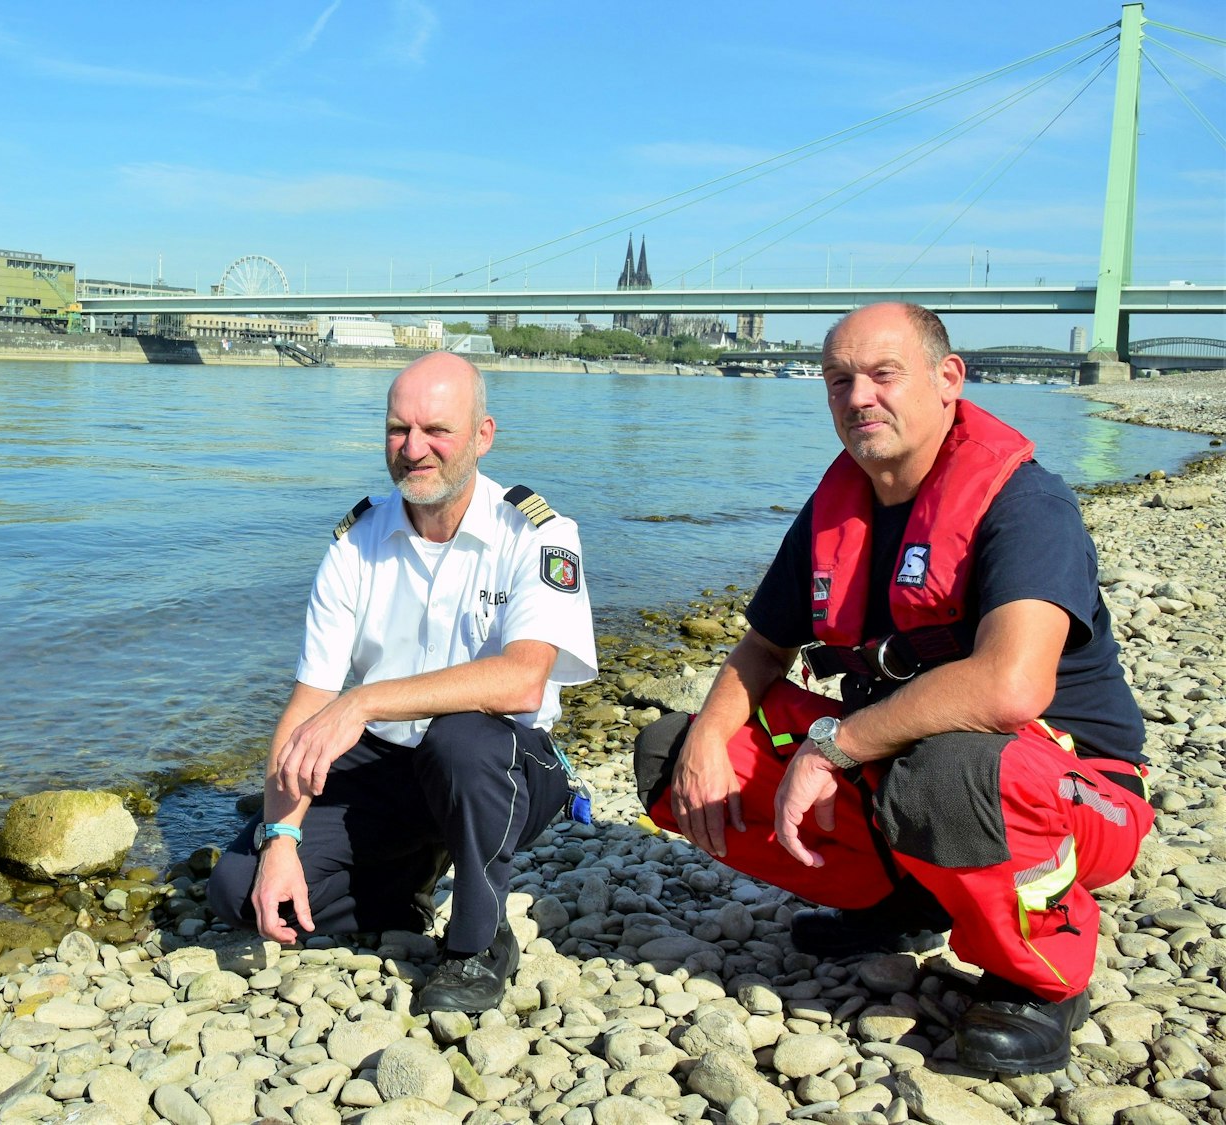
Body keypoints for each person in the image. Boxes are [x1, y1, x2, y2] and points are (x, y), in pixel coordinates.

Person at [633, 303, 1152, 1075]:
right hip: (901, 765)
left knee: (949, 769)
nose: (858, 397)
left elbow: (1010, 687)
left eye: (882, 374)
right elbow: (763, 647)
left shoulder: (1025, 504)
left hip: (1080, 793)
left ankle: (1041, 978)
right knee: (669, 752)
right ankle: (902, 900)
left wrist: (829, 746)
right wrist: (708, 741)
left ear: (949, 381)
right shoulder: (838, 505)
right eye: (839, 380)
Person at [207, 352, 599, 1014]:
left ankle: (479, 942)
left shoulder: (538, 532)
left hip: (501, 765)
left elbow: (522, 681)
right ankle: (404, 884)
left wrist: (362, 700)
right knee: (239, 889)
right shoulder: (356, 541)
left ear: (482, 435)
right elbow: (308, 703)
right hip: (392, 767)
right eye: (398, 429)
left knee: (462, 740)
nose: (414, 448)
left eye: (436, 430)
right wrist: (281, 841)